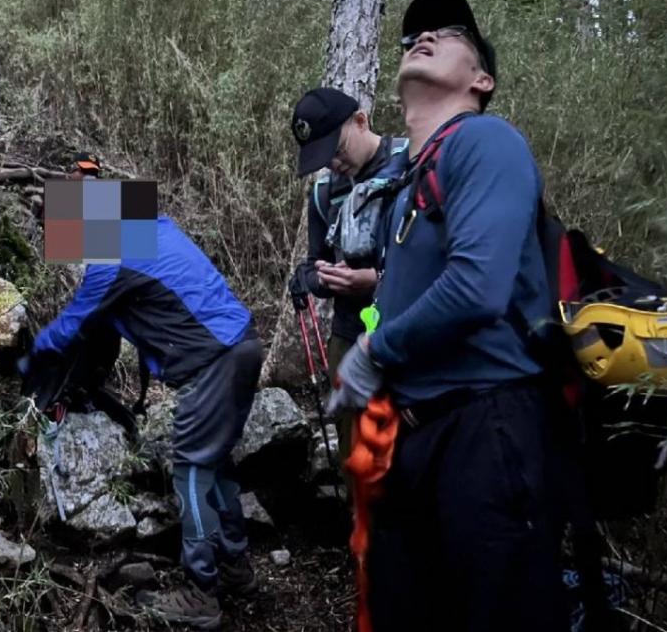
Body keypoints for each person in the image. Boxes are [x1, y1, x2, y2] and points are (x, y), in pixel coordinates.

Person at [330, 0, 569, 631]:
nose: (422, 38)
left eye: (448, 33)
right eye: (411, 38)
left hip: (487, 430)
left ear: (481, 79)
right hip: (420, 436)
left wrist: (371, 353)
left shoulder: (485, 141)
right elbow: (407, 294)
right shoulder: (409, 181)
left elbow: (477, 287)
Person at [21, 215, 261, 630]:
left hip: (212, 364)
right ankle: (235, 566)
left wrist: (25, 361)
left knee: (189, 468)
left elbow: (69, 327)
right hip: (243, 346)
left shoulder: (110, 262)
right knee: (216, 463)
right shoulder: (154, 228)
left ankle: (201, 591)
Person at [288, 87, 406, 474]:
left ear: (361, 120)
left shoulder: (413, 163)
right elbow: (311, 265)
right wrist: (322, 279)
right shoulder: (325, 193)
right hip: (348, 335)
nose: (335, 164)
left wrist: (375, 281)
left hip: (410, 330)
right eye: (324, 158)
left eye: (337, 150)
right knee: (357, 459)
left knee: (412, 446)